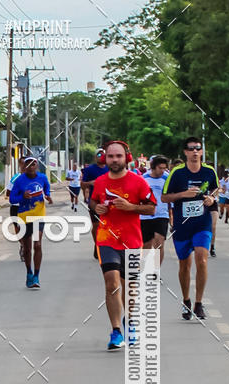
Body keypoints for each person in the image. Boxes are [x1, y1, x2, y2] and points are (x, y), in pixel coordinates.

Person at [89, 140, 156, 350]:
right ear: (104, 158)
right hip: (106, 239)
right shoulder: (100, 182)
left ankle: (131, 324)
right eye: (110, 156)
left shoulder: (138, 182)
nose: (114, 160)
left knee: (130, 287)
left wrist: (130, 207)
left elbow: (151, 208)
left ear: (126, 157)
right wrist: (97, 208)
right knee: (111, 283)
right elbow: (93, 202)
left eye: (118, 156)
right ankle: (116, 330)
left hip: (132, 241)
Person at [162, 136, 218, 320]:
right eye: (191, 148)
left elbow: (215, 191)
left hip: (202, 223)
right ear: (185, 152)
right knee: (185, 264)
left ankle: (199, 303)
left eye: (198, 148)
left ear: (201, 152)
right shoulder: (177, 173)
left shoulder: (210, 172)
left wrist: (211, 199)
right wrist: (183, 194)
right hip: (182, 224)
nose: (195, 151)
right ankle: (186, 300)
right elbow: (164, 198)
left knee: (202, 259)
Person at [9, 156, 52, 288]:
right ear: (24, 167)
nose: (31, 167)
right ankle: (29, 272)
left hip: (39, 215)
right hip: (24, 216)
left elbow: (47, 189)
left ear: (37, 166)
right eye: (28, 164)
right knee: (27, 248)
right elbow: (11, 198)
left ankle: (36, 276)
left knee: (37, 245)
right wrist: (23, 196)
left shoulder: (43, 178)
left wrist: (48, 196)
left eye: (33, 164)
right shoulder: (19, 180)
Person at [141, 155, 170, 264]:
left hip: (161, 215)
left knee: (159, 244)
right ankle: (144, 268)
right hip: (145, 215)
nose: (162, 171)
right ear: (153, 167)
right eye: (160, 168)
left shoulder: (167, 178)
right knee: (146, 246)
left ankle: (156, 272)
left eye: (164, 168)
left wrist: (171, 214)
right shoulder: (144, 178)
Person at [82, 148, 109, 259]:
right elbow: (82, 185)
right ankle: (97, 244)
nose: (101, 156)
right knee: (97, 225)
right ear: (95, 156)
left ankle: (104, 246)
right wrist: (90, 183)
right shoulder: (89, 170)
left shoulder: (110, 168)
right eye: (99, 154)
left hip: (109, 202)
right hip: (95, 202)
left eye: (103, 154)